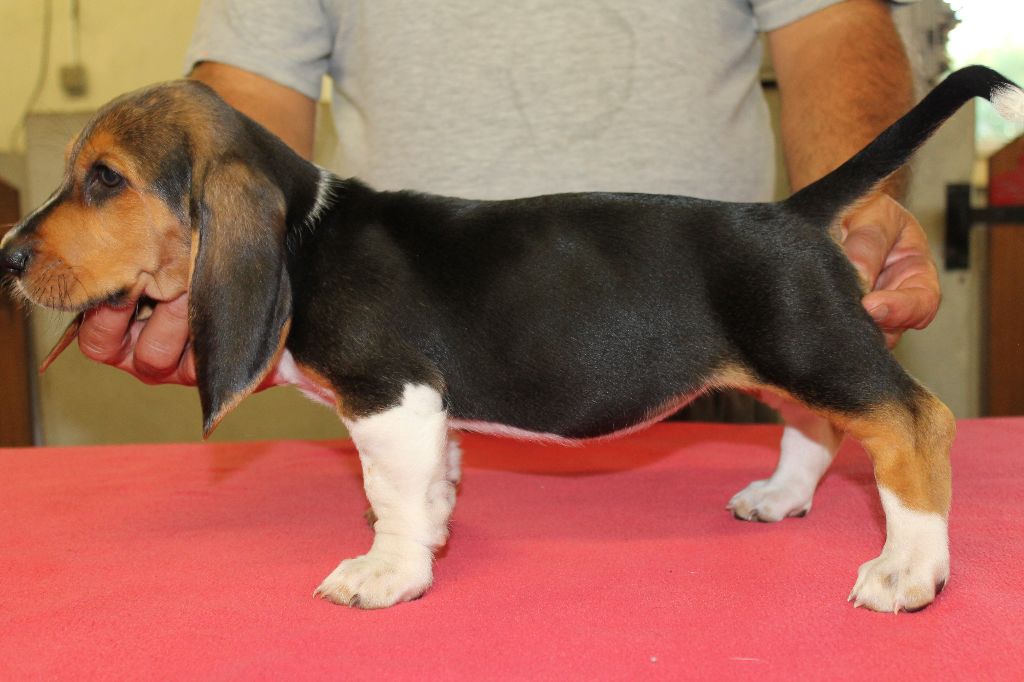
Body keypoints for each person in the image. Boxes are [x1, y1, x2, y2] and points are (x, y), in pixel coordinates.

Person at [76, 0, 939, 420]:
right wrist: (210, 254)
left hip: (703, 334)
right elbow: (244, 103)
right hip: (402, 359)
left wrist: (839, 230)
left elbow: (832, 24)